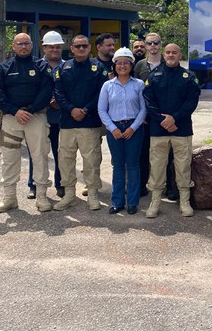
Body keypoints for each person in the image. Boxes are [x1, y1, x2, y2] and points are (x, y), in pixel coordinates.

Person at [0, 33, 55, 213]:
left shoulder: (42, 66)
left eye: (26, 43)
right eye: (20, 44)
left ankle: (41, 197)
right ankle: (9, 198)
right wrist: (14, 111)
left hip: (36, 117)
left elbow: (46, 90)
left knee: (40, 156)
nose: (23, 46)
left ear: (32, 45)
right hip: (11, 119)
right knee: (9, 158)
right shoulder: (4, 67)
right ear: (14, 46)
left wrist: (31, 110)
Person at [143, 43, 201, 219]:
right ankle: (155, 202)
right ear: (163, 54)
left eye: (174, 52)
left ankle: (185, 201)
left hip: (181, 129)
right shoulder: (153, 76)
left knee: (183, 167)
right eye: (167, 52)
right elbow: (148, 101)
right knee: (157, 167)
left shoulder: (189, 77)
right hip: (158, 130)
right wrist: (163, 120)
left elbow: (192, 102)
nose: (170, 55)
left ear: (180, 55)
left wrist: (174, 118)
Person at [53, 34, 107, 211]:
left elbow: (101, 93)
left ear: (90, 47)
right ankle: (69, 193)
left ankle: (92, 193)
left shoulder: (98, 68)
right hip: (68, 123)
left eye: (84, 46)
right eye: (78, 46)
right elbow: (58, 93)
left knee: (91, 160)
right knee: (66, 159)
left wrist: (84, 110)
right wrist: (71, 109)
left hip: (89, 122)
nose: (81, 49)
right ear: (72, 48)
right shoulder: (63, 68)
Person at [98, 48, 147, 214]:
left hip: (134, 128)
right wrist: (112, 128)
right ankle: (117, 202)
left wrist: (133, 127)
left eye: (126, 62)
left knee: (133, 165)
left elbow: (143, 109)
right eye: (119, 62)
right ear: (114, 65)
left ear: (132, 65)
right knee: (118, 166)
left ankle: (132, 203)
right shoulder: (108, 86)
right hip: (115, 129)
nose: (122, 66)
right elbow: (102, 109)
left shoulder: (139, 84)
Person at [134, 32, 177, 202]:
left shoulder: (168, 64)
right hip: (144, 118)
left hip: (164, 117)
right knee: (143, 153)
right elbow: (135, 92)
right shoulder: (139, 66)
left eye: (156, 43)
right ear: (145, 45)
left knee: (167, 153)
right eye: (149, 43)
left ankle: (170, 187)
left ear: (161, 45)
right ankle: (142, 185)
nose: (152, 46)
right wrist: (140, 114)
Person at [31, 30, 65, 199]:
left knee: (61, 154)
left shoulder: (68, 66)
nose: (54, 50)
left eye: (57, 47)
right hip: (40, 116)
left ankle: (61, 185)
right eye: (50, 47)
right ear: (44, 48)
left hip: (60, 118)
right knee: (37, 153)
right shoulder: (36, 67)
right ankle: (35, 185)